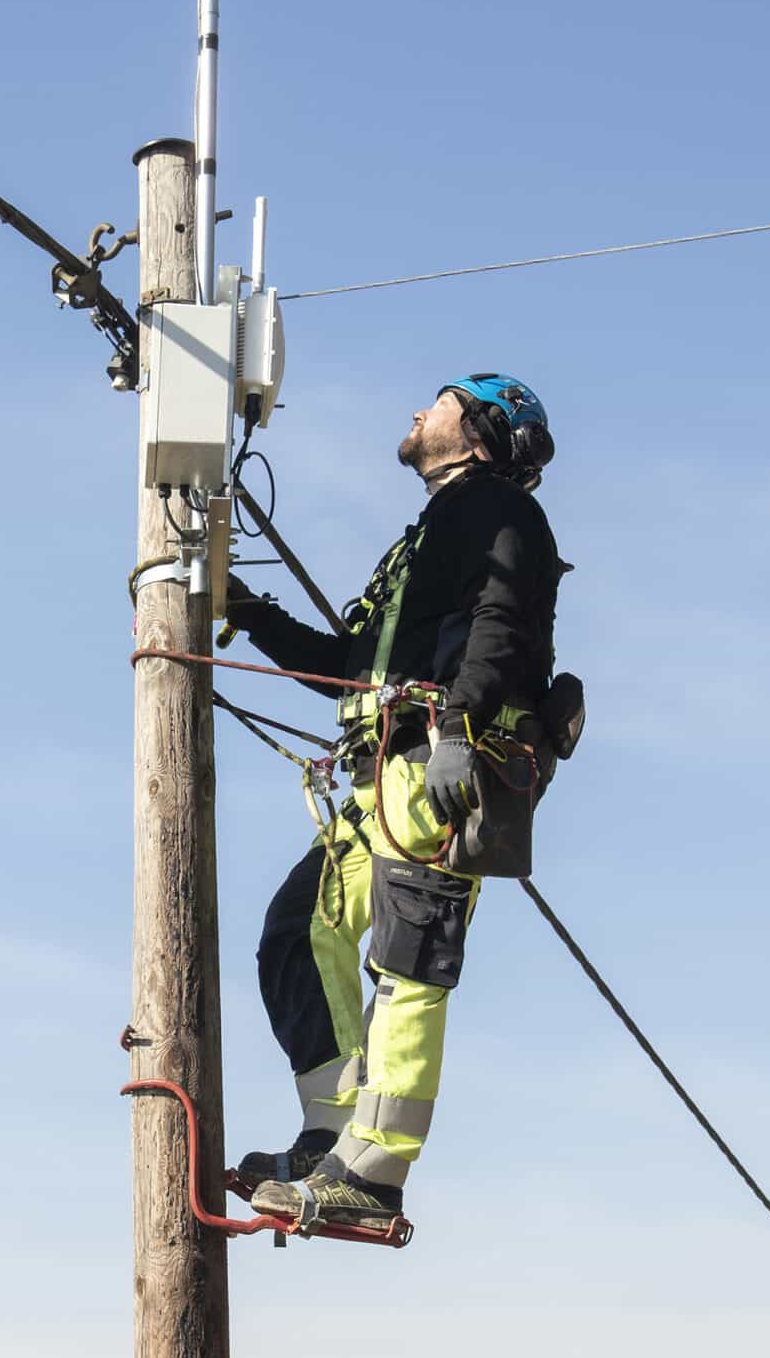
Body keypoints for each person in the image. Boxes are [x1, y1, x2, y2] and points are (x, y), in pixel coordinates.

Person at [220, 372, 566, 1233]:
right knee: (297, 930)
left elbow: (502, 621)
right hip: (384, 770)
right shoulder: (432, 532)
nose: (419, 410)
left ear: (479, 432)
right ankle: (333, 1134)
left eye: (439, 401)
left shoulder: (501, 512)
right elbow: (349, 665)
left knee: (409, 959)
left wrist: (460, 726)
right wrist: (248, 611)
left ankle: (374, 1169)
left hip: (438, 763)